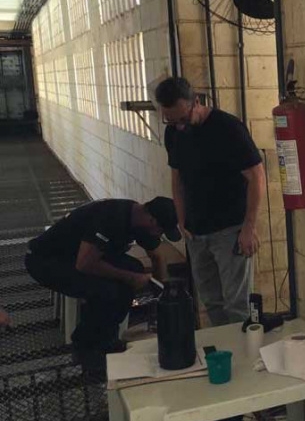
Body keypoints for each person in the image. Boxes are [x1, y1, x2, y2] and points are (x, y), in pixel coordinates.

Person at [156, 77, 265, 326]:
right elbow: (177, 179)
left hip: (230, 230)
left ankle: (244, 348)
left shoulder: (228, 128)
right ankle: (226, 347)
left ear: (196, 102)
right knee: (211, 301)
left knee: (237, 303)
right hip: (195, 233)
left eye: (183, 119)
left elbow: (257, 177)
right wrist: (181, 220)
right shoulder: (173, 132)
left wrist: (249, 227)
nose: (179, 126)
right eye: (170, 120)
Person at [25, 197, 181, 354]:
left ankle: (108, 337)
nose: (159, 235)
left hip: (77, 256)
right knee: (107, 290)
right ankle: (86, 347)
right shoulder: (112, 216)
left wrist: (163, 294)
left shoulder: (141, 222)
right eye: (161, 231)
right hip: (46, 261)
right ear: (152, 220)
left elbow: (157, 256)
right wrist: (131, 278)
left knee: (135, 268)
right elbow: (85, 264)